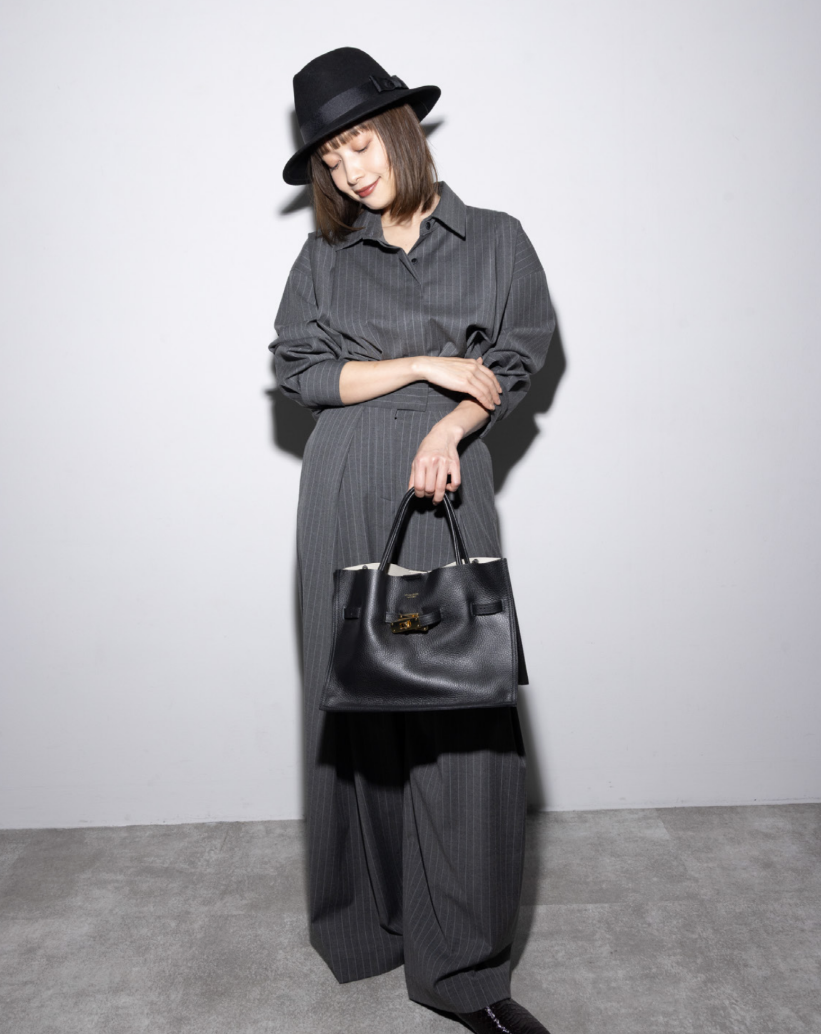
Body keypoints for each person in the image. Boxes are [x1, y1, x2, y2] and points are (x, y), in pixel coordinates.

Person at [270, 47, 556, 1034]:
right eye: (329, 157)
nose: (348, 169)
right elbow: (302, 373)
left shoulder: (495, 239)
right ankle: (369, 926)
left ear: (399, 128)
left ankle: (464, 972)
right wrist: (423, 364)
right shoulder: (325, 258)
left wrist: (450, 425)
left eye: (358, 143)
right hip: (342, 487)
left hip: (441, 493)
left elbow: (513, 359)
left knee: (462, 724)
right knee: (355, 716)